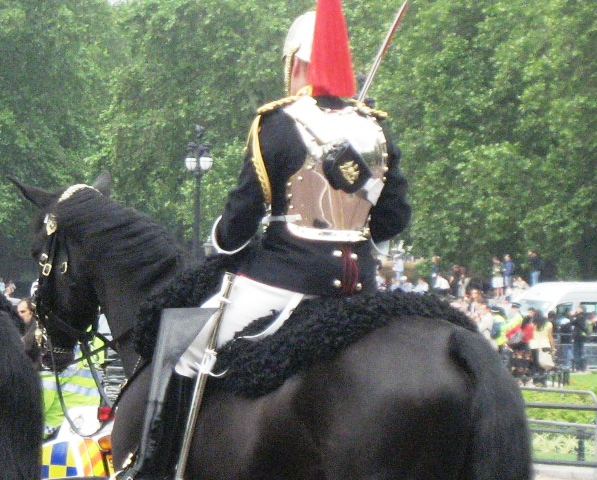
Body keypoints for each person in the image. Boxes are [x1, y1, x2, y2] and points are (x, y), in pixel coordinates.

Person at [121, 1, 412, 477]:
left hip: (286, 278)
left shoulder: (276, 122)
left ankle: (160, 465)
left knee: (190, 350)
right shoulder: (374, 129)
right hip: (360, 285)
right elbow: (394, 219)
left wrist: (222, 238)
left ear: (296, 63)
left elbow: (239, 224)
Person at [528, 308, 555, 385]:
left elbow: (530, 336)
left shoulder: (531, 325)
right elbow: (550, 337)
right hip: (545, 345)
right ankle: (543, 380)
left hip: (534, 345)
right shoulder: (549, 324)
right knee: (544, 363)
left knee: (536, 364)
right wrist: (553, 347)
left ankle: (536, 380)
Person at [571, 306, 591, 372]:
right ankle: (582, 367)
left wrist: (572, 315)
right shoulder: (584, 317)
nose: (576, 310)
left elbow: (573, 323)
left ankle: (580, 367)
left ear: (581, 310)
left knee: (578, 353)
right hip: (582, 337)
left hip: (579, 337)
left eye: (578, 309)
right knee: (581, 352)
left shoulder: (580, 317)